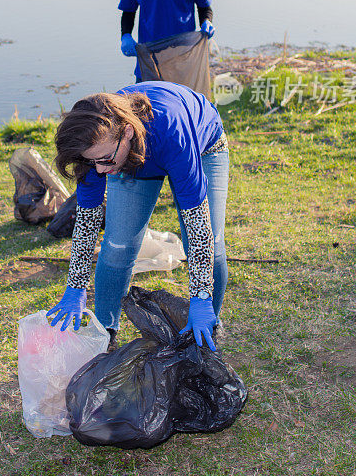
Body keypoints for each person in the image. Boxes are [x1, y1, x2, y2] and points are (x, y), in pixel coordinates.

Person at [47, 81, 228, 351]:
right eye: (91, 161)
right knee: (118, 244)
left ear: (127, 132)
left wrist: (200, 295)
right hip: (131, 157)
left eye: (104, 160)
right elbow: (87, 222)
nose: (99, 170)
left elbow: (197, 223)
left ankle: (205, 327)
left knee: (207, 243)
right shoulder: (97, 153)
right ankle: (105, 332)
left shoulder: (172, 133)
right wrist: (76, 285)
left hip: (202, 146)